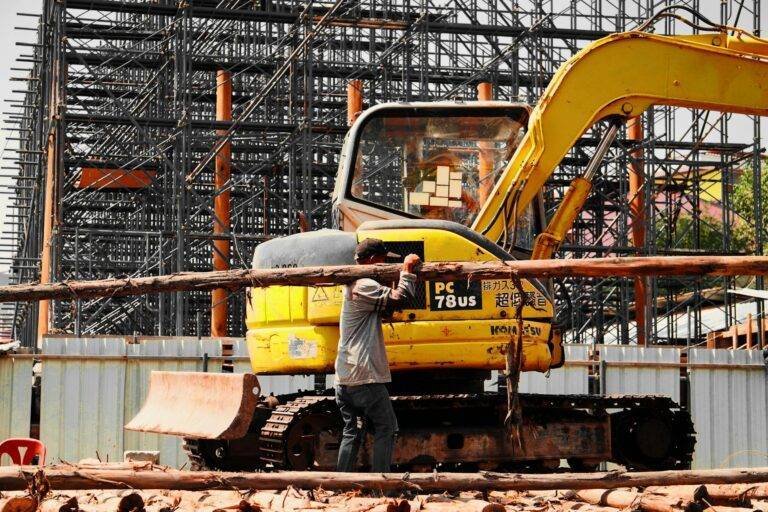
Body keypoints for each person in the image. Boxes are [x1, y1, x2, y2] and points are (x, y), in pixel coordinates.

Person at [334, 238, 421, 472]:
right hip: (365, 375)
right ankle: (381, 483)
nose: (383, 266)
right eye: (382, 262)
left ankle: (340, 483)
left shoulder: (352, 286)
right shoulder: (364, 285)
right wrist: (407, 271)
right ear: (372, 260)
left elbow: (388, 307)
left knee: (352, 431)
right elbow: (401, 299)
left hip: (345, 376)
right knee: (387, 427)